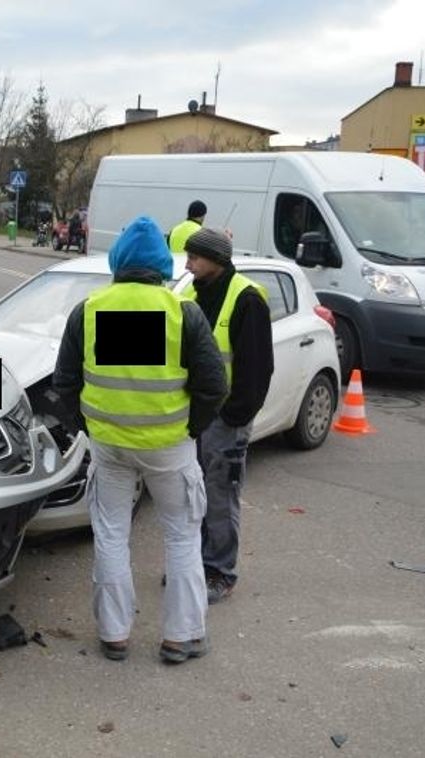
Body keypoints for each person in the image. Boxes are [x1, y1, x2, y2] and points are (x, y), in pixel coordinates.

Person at [53, 216, 227, 664]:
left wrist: (87, 427)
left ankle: (114, 634)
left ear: (117, 263)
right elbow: (213, 385)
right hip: (170, 447)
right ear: (160, 266)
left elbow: (65, 383)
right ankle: (181, 637)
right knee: (182, 537)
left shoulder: (89, 310)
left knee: (111, 534)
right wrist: (192, 428)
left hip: (109, 446)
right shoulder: (180, 312)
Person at [182, 227, 274, 604]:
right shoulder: (189, 294)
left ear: (216, 260)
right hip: (193, 416)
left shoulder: (247, 299)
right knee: (192, 496)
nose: (188, 264)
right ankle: (193, 567)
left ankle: (220, 571)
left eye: (195, 257)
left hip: (225, 419)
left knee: (220, 496)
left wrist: (235, 416)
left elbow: (257, 368)